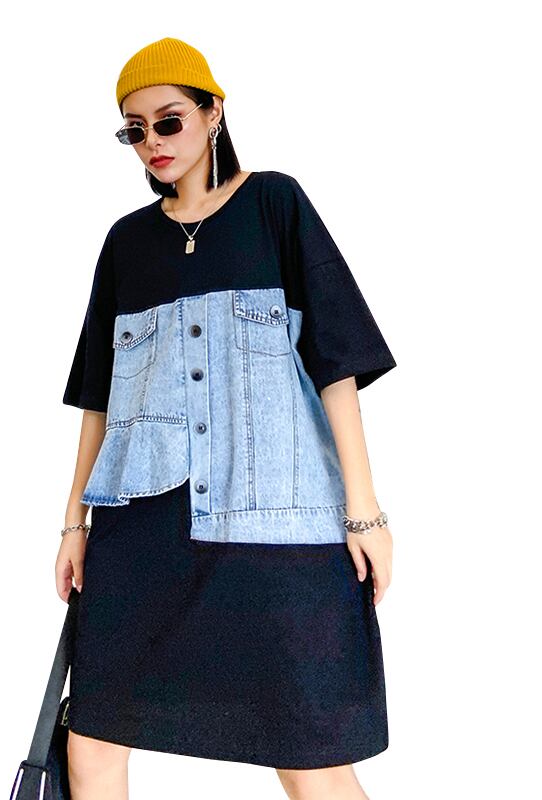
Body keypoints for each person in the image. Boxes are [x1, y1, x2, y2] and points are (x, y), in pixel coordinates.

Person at [57, 36, 397, 800]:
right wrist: (74, 524)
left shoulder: (274, 204)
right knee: (93, 740)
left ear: (214, 113)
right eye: (134, 129)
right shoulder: (127, 243)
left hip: (275, 530)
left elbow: (336, 364)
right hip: (141, 536)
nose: (152, 141)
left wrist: (365, 514)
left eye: (168, 120)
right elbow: (99, 398)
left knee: (308, 755)